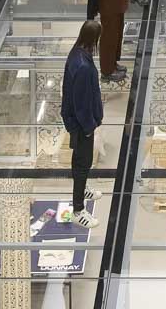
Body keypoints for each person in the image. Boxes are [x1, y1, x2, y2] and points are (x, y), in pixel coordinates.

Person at [59, 19, 103, 226]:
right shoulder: (84, 66)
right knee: (83, 162)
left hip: (77, 120)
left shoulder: (76, 53)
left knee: (80, 160)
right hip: (82, 123)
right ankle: (78, 210)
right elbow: (82, 102)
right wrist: (88, 127)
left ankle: (82, 187)